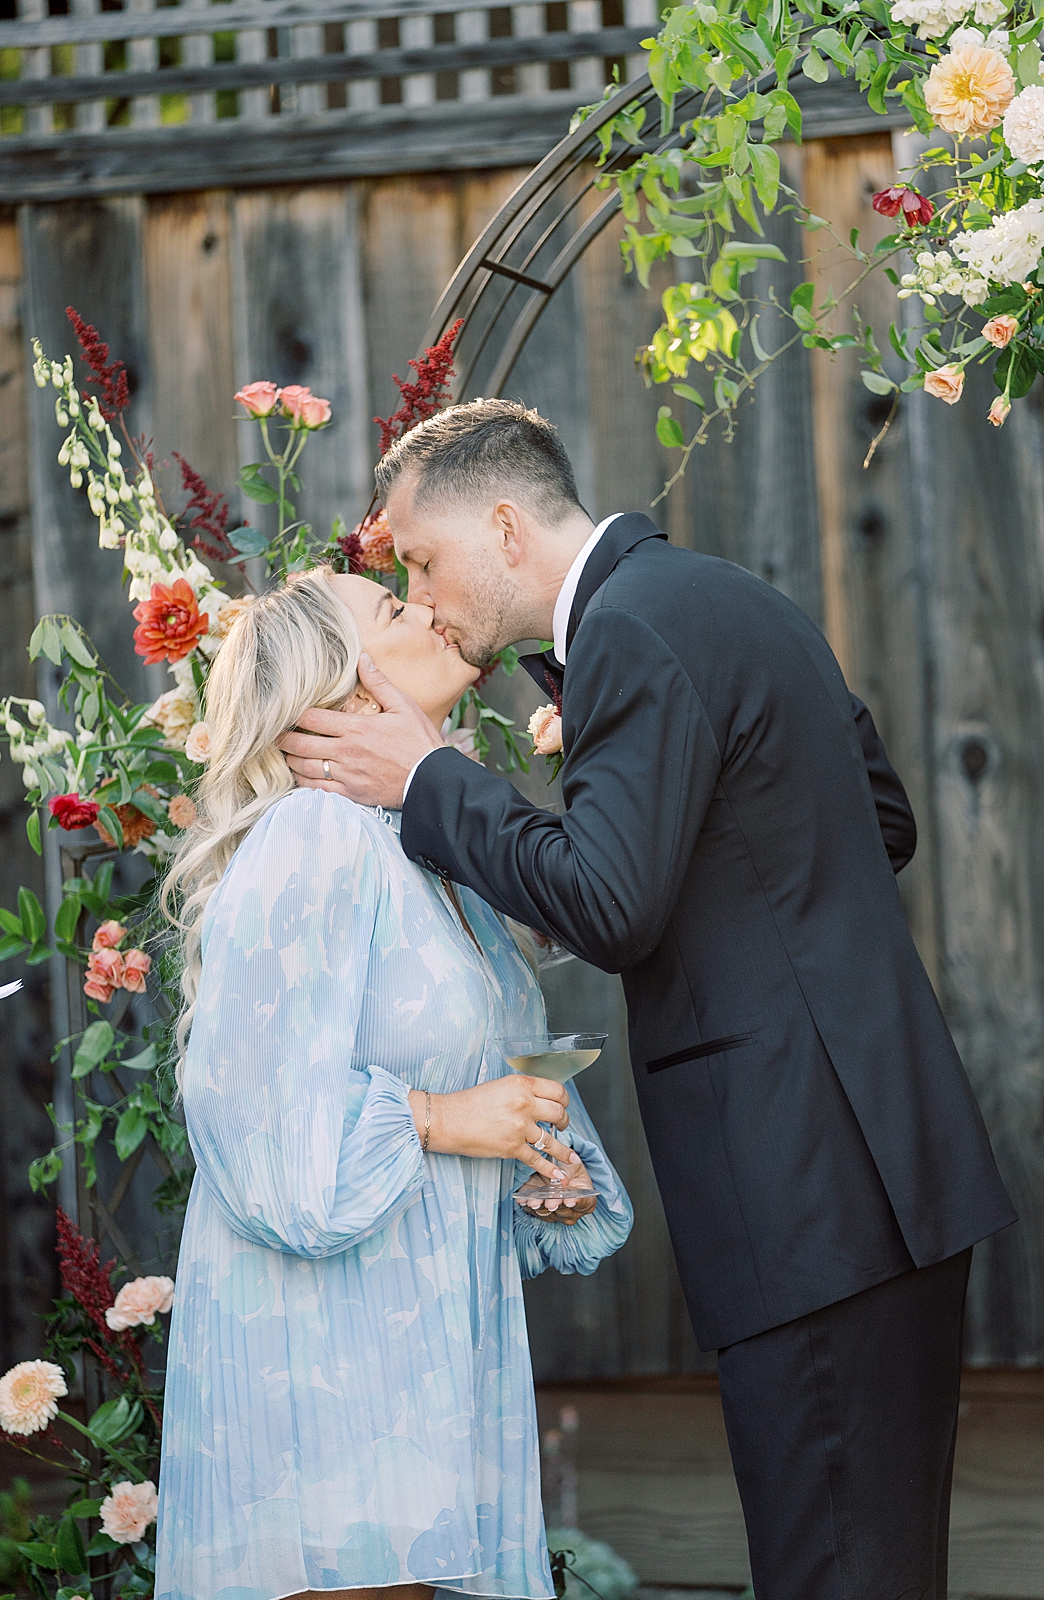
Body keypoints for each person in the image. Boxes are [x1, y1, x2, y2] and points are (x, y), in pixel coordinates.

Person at [280, 400, 1018, 1600]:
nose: (419, 590)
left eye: (419, 558)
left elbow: (611, 905)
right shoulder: (729, 596)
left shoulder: (629, 632)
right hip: (874, 1171)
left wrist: (432, 777)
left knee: (831, 1567)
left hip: (805, 1183)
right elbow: (875, 817)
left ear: (505, 526)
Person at [155, 565, 633, 1600]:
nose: (425, 608)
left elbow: (479, 1076)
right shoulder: (311, 837)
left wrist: (538, 1161)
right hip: (325, 1343)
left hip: (421, 1337)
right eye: (391, 609)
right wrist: (438, 1117)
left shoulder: (417, 850)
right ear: (345, 688)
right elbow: (251, 1121)